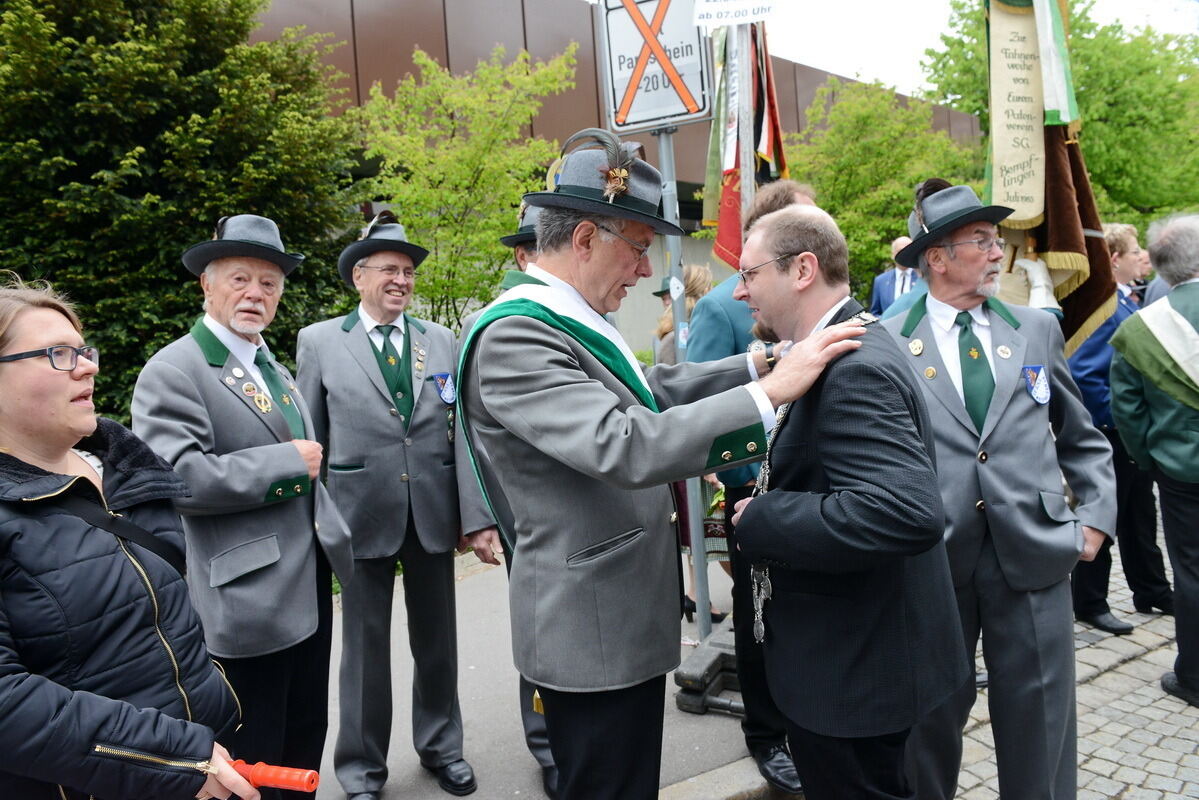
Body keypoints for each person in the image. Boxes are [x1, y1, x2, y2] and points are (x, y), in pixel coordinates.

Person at [457, 128, 864, 800]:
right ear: (585, 239)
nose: (646, 272)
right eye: (638, 249)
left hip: (611, 619)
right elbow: (626, 443)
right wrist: (772, 392)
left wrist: (756, 362)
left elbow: (648, 390)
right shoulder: (516, 335)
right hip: (591, 633)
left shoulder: (564, 317)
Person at [882, 180, 1116, 800]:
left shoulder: (1036, 329)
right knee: (927, 724)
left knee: (1040, 725)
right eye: (981, 241)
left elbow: (1083, 436)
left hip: (1034, 553)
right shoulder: (884, 340)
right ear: (936, 257)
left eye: (996, 240)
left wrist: (1092, 518)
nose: (996, 254)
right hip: (933, 560)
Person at [729, 204, 966, 800]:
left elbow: (903, 512)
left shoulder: (852, 366)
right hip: (859, 660)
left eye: (750, 273)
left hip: (857, 680)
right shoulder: (834, 348)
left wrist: (762, 518)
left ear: (802, 269)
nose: (739, 291)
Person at [0, 277, 255, 800]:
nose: (88, 365)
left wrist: (211, 714)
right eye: (58, 354)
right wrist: (171, 755)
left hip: (212, 760)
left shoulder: (126, 468)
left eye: (83, 350)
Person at [132, 214, 354, 799]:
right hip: (245, 601)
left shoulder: (268, 362)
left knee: (305, 738)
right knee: (255, 758)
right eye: (239, 279)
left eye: (269, 283)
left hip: (305, 585)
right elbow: (178, 479)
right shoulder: (173, 369)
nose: (255, 293)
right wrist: (287, 464)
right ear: (206, 284)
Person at [296, 211, 491, 800]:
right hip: (357, 516)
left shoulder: (440, 340)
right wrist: (315, 522)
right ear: (359, 277)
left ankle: (442, 749)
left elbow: (462, 431)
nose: (402, 280)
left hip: (431, 511)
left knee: (438, 643)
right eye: (389, 270)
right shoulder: (320, 341)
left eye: (408, 272)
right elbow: (310, 439)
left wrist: (474, 515)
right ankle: (361, 771)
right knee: (363, 651)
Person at [684, 179, 816, 795]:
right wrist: (743, 483)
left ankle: (809, 718)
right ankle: (767, 735)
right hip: (753, 495)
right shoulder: (721, 307)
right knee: (759, 618)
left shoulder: (822, 297)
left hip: (818, 496)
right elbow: (704, 401)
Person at [458, 202, 559, 798]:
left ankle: (558, 738)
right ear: (523, 257)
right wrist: (481, 517)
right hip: (523, 515)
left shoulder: (563, 317)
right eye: (530, 250)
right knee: (539, 629)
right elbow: (464, 436)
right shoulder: (507, 323)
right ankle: (545, 742)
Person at [1110, 213, 1199, 707]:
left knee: (1190, 570)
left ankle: (1194, 675)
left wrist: (1151, 460)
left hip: (1179, 467)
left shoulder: (1141, 329)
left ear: (1161, 269)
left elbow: (1129, 413)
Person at [1069, 224, 1173, 635]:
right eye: (1133, 253)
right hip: (1113, 434)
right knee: (1104, 519)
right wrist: (1117, 420)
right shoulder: (1105, 305)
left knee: (1140, 516)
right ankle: (1090, 601)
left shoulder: (1121, 300)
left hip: (1130, 433)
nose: (1141, 258)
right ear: (1113, 259)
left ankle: (1151, 589)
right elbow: (1087, 374)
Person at [869, 235, 916, 316]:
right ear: (893, 254)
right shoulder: (880, 281)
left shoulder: (923, 278)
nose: (904, 254)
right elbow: (875, 313)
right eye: (900, 251)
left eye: (907, 250)